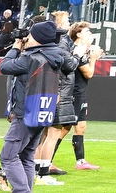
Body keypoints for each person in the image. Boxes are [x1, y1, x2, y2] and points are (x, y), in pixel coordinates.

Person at [0, 20, 76, 193]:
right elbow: (71, 66)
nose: (28, 38)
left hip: (25, 113)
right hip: (43, 113)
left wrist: (16, 46)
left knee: (8, 156)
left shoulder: (31, 58)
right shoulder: (56, 56)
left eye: (31, 35)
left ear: (38, 38)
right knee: (26, 156)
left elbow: (4, 67)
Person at [33, 13, 88, 184]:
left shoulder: (47, 43)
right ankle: (43, 173)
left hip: (49, 90)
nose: (69, 24)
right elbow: (69, 66)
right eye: (66, 21)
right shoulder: (61, 43)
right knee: (53, 132)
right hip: (59, 92)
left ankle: (35, 171)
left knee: (41, 134)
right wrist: (79, 54)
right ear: (57, 25)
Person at [69, 20, 103, 171]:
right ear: (78, 34)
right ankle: (46, 162)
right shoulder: (77, 50)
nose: (90, 34)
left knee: (81, 127)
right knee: (63, 129)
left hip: (80, 94)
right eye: (87, 32)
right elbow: (88, 73)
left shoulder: (82, 50)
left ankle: (81, 162)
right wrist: (93, 59)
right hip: (75, 94)